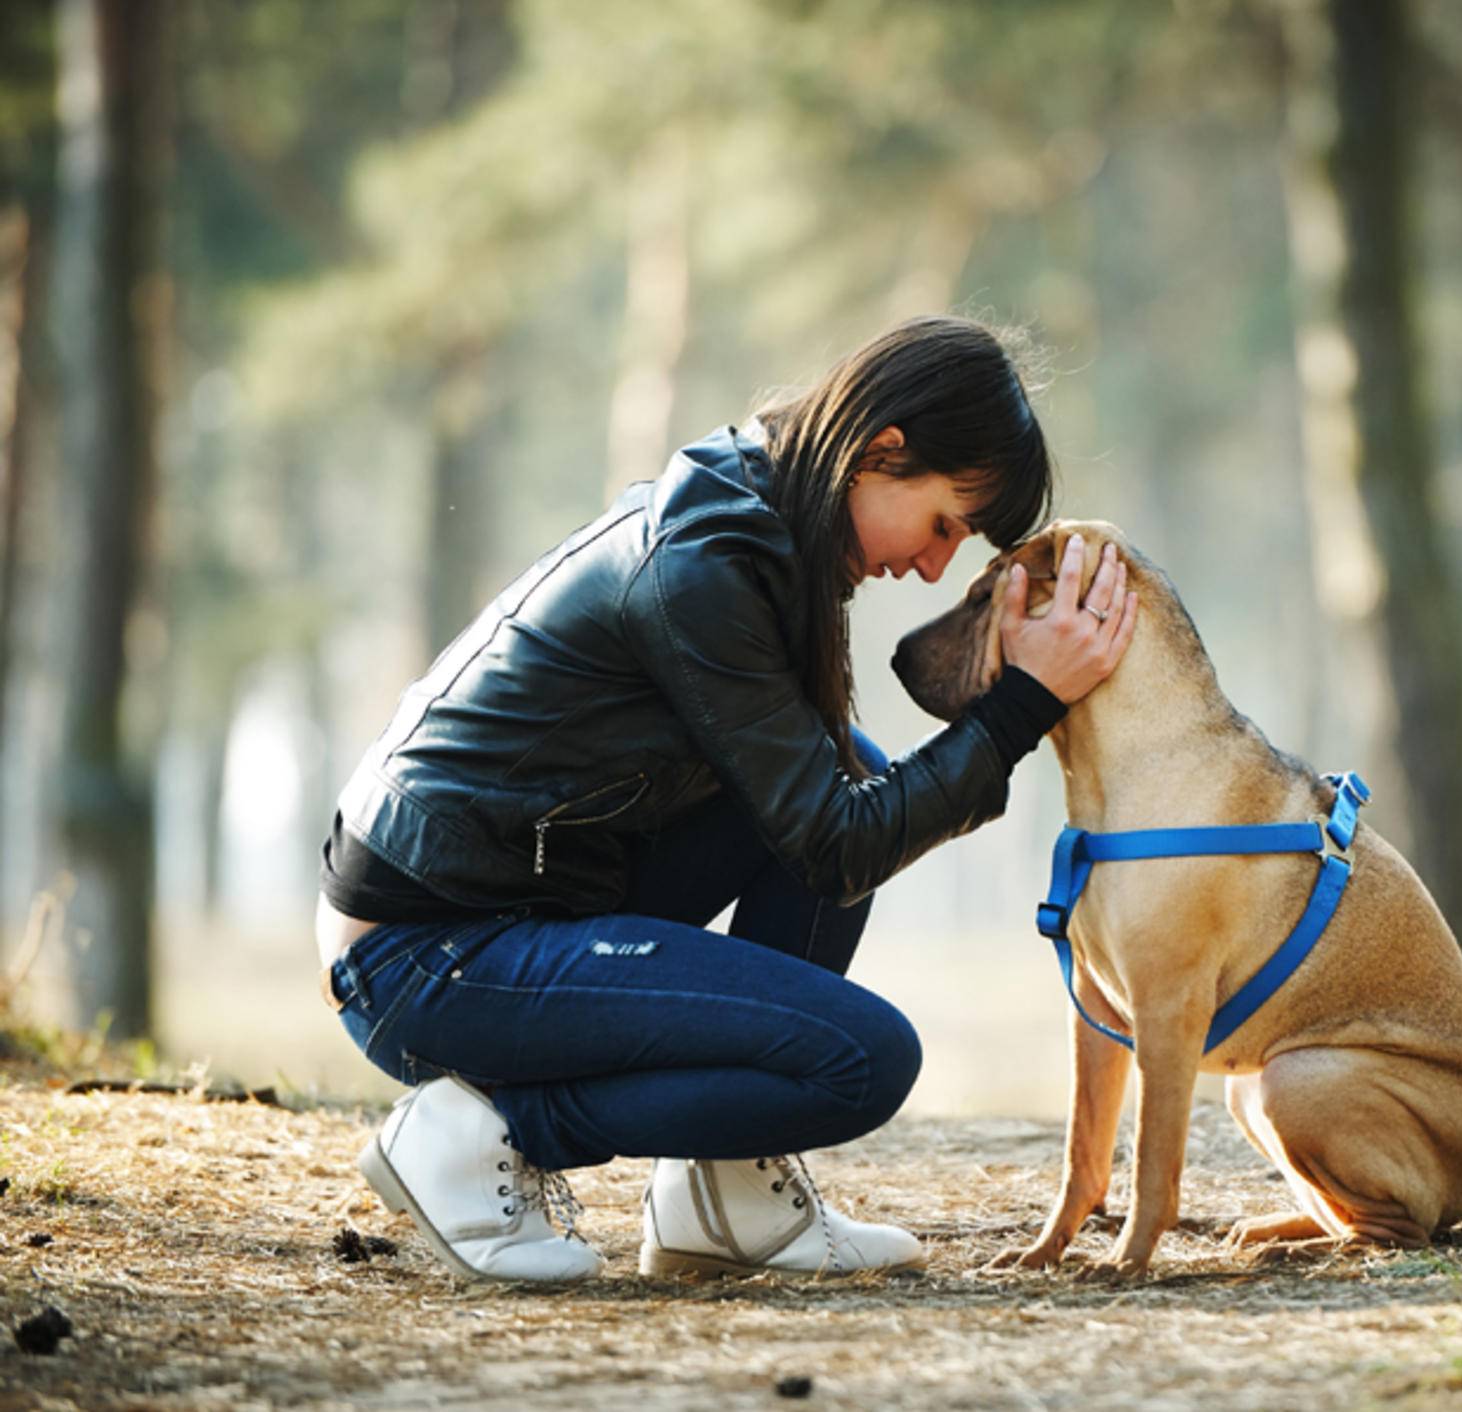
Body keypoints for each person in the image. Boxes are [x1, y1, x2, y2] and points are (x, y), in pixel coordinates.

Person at [314, 315, 1138, 1282]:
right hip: (427, 960)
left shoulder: (764, 521)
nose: (931, 566)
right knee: (861, 1059)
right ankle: (484, 1129)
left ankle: (723, 1192)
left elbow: (826, 816)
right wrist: (1021, 706)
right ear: (882, 452)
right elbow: (840, 847)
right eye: (945, 524)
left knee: (854, 766)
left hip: (523, 905)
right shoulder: (706, 563)